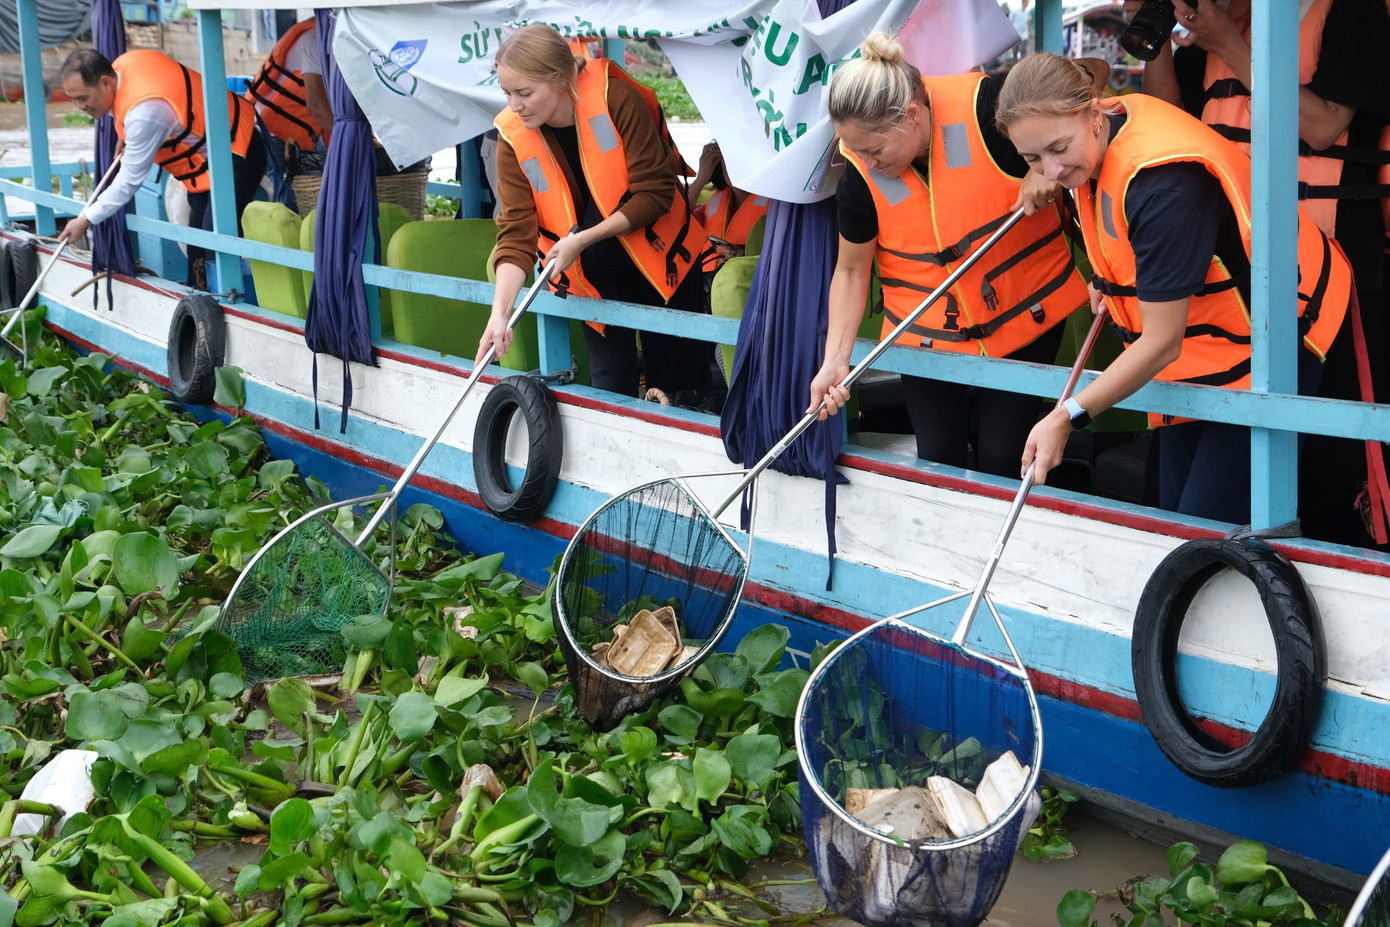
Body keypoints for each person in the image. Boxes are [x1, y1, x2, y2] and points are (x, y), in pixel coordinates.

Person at [996, 53, 1352, 525]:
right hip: (1200, 350)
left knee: (1206, 529)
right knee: (1173, 517)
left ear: (1095, 111)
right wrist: (1108, 282)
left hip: (1278, 333)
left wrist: (1067, 416)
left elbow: (1162, 342)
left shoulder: (1164, 188)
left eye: (1058, 148)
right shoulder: (1095, 138)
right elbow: (1121, 236)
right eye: (1032, 159)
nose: (1052, 170)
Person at [1130, 0, 1390, 545]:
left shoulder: (1352, 11)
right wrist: (1153, 35)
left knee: (1326, 461)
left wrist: (1227, 41)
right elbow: (1166, 124)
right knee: (1203, 449)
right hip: (1226, 270)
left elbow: (1323, 127)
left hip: (1330, 274)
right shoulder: (1213, 23)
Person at [806, 33, 1094, 478]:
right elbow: (850, 271)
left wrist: (1046, 167)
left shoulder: (991, 103)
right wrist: (834, 362)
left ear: (912, 116)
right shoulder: (860, 174)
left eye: (875, 150)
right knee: (937, 460)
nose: (866, 161)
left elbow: (1092, 74)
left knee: (1003, 457)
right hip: (926, 333)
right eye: (856, 150)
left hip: (1025, 315)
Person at [478, 24, 712, 400]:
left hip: (663, 260)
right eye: (507, 93)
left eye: (524, 93)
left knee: (676, 390)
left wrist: (583, 239)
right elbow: (516, 235)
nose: (514, 105)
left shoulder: (616, 99)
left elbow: (655, 193)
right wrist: (499, 315)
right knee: (610, 388)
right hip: (594, 277)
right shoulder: (512, 138)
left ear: (560, 80)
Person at [57, 48, 267, 287]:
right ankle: (196, 297)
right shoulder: (124, 65)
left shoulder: (145, 113)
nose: (80, 107)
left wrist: (85, 219)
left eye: (83, 98)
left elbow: (128, 182)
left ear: (105, 82)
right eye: (73, 99)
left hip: (239, 152)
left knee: (215, 247)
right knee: (197, 244)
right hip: (208, 162)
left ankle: (227, 300)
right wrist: (126, 135)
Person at [245, 17, 333, 209]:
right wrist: (351, 141)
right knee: (293, 202)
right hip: (273, 133)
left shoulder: (333, 43)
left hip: (302, 132)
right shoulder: (314, 41)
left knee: (319, 194)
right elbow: (316, 105)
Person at [688, 141, 769, 271]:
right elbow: (681, 219)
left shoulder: (776, 206)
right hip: (709, 278)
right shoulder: (712, 204)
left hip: (749, 277)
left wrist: (745, 254)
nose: (735, 172)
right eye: (730, 164)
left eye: (741, 164)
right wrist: (701, 178)